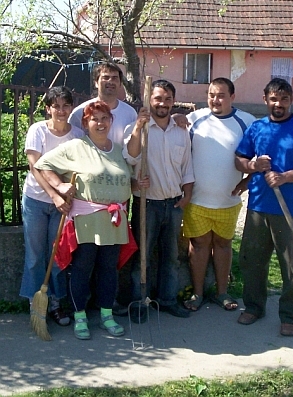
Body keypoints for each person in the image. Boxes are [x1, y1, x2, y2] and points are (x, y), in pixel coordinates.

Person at [35, 101, 140, 340]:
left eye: (104, 118)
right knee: (82, 268)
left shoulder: (117, 150)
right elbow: (43, 165)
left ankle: (106, 315)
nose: (100, 123)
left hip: (114, 221)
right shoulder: (76, 147)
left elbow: (122, 178)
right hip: (86, 221)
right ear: (86, 123)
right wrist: (59, 185)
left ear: (110, 121)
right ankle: (80, 316)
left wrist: (134, 184)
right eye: (95, 119)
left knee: (108, 270)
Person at [234, 78, 293, 336]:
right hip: (259, 206)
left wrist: (285, 176)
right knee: (252, 261)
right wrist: (252, 166)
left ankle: (291, 315)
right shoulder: (257, 128)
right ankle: (254, 307)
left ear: (291, 100)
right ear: (265, 100)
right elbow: (239, 159)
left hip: (291, 209)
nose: (278, 104)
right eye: (274, 99)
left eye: (284, 99)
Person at [123, 79, 195, 321]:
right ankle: (139, 302)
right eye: (157, 98)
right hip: (147, 203)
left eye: (167, 99)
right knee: (142, 256)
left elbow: (187, 166)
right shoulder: (139, 128)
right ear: (149, 100)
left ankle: (167, 300)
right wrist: (137, 126)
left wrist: (188, 194)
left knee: (171, 256)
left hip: (174, 204)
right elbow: (131, 157)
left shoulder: (180, 130)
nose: (162, 103)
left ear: (173, 102)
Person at [181, 77, 255, 312]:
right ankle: (198, 293)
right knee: (199, 246)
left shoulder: (247, 122)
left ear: (232, 97)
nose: (215, 99)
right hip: (197, 200)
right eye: (211, 94)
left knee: (223, 245)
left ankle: (222, 292)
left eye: (221, 95)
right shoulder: (195, 120)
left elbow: (264, 158)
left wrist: (247, 183)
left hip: (228, 200)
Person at [20, 86, 84, 326]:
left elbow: (77, 169)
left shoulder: (77, 135)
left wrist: (65, 197)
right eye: (55, 105)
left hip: (63, 204)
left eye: (65, 105)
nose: (61, 110)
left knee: (57, 256)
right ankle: (35, 305)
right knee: (35, 256)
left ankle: (55, 303)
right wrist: (54, 195)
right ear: (48, 108)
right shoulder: (38, 130)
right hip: (37, 200)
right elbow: (35, 165)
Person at [68, 62, 137, 146]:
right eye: (106, 77)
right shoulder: (80, 112)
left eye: (115, 78)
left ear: (120, 84)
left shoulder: (130, 113)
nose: (110, 81)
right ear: (96, 83)